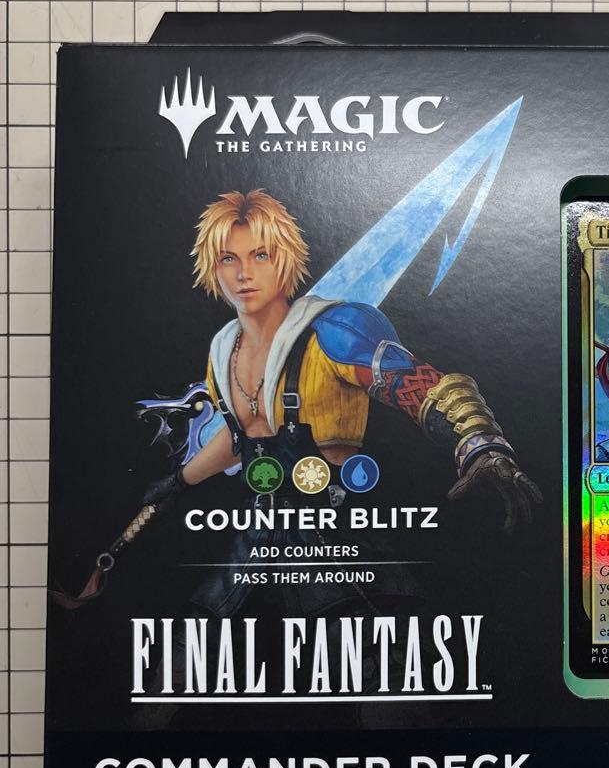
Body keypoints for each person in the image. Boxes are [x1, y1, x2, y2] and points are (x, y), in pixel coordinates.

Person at [143, 189, 540, 617]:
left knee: (366, 647)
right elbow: (244, 433)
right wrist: (179, 481)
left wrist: (480, 445)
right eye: (228, 258)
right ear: (212, 266)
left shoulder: (335, 330)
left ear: (284, 259)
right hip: (259, 536)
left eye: (260, 255)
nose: (244, 273)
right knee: (196, 643)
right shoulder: (223, 352)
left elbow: (423, 387)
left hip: (334, 535)